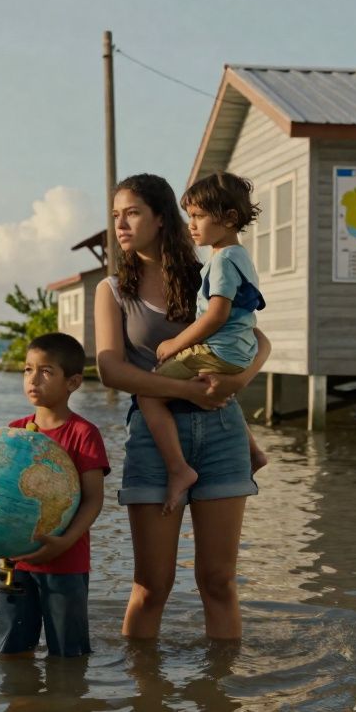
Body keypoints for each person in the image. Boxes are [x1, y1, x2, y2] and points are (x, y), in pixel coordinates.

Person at [93, 173, 272, 641]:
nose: (121, 224)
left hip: (221, 433)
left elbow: (259, 340)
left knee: (218, 581)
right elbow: (110, 370)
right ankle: (143, 694)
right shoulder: (112, 290)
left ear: (160, 218)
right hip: (154, 440)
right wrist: (188, 392)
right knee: (153, 586)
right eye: (116, 216)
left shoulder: (206, 273)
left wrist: (236, 381)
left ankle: (221, 694)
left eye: (131, 212)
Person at [139, 171, 268, 515]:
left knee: (148, 393)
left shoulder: (222, 260)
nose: (191, 225)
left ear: (228, 218)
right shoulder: (241, 257)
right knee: (214, 393)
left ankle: (179, 469)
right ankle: (254, 453)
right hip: (240, 352)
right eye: (189, 217)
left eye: (198, 216)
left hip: (218, 351)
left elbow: (215, 316)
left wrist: (176, 344)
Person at [0, 332, 109, 658]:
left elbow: (93, 499)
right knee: (12, 652)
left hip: (66, 562)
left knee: (68, 654)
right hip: (16, 561)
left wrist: (65, 541)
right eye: (28, 370)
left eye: (46, 371)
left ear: (73, 382)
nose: (33, 379)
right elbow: (1, 493)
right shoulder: (15, 430)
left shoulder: (83, 434)